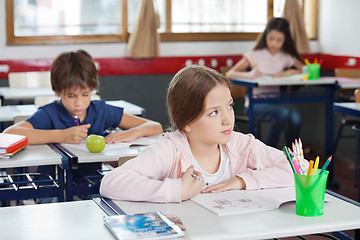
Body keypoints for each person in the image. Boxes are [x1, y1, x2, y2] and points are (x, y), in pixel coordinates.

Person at [100, 65, 294, 203]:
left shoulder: (241, 145)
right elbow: (110, 183)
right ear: (187, 122)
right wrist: (177, 190)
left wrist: (244, 180)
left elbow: (299, 171)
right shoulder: (172, 150)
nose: (228, 120)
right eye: (214, 112)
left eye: (230, 106)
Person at [4, 49, 163, 185]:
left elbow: (156, 126)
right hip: (51, 187)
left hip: (92, 184)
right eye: (71, 96)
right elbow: (10, 134)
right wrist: (61, 135)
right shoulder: (50, 113)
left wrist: (132, 132)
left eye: (86, 94)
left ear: (93, 89)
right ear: (58, 92)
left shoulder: (101, 111)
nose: (79, 102)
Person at [225, 17, 305, 148]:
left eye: (279, 40)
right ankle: (268, 152)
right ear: (265, 36)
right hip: (255, 103)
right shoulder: (254, 55)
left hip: (277, 103)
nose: (274, 43)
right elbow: (229, 74)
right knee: (283, 113)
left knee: (296, 117)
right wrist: (249, 75)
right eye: (271, 38)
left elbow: (305, 69)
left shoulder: (285, 56)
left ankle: (292, 156)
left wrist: (287, 72)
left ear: (285, 40)